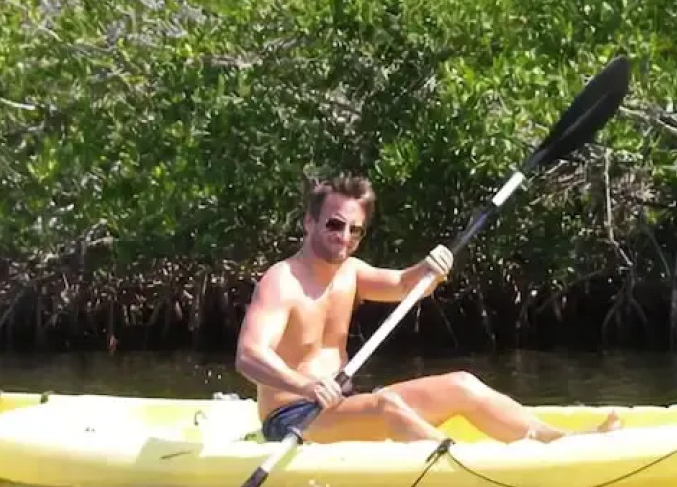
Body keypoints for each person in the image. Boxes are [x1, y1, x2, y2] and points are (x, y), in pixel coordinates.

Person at [234, 175, 621, 444]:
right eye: (335, 225)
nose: (345, 237)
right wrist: (307, 386)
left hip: (340, 406)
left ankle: (560, 443)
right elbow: (249, 357)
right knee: (387, 406)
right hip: (292, 417)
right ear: (309, 222)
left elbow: (406, 285)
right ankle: (463, 466)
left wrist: (431, 269)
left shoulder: (351, 271)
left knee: (461, 384)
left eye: (355, 229)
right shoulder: (282, 280)